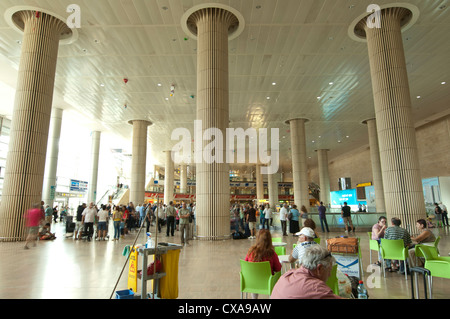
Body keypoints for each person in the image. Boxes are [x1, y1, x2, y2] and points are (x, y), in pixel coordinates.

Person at [271, 245, 341, 299]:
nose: (329, 275)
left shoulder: (288, 274)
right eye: (329, 270)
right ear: (319, 268)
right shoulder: (316, 288)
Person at [245, 229, 282, 299]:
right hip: (267, 283)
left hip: (251, 282)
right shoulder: (272, 254)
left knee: (254, 275)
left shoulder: (251, 252)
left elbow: (246, 264)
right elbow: (278, 269)